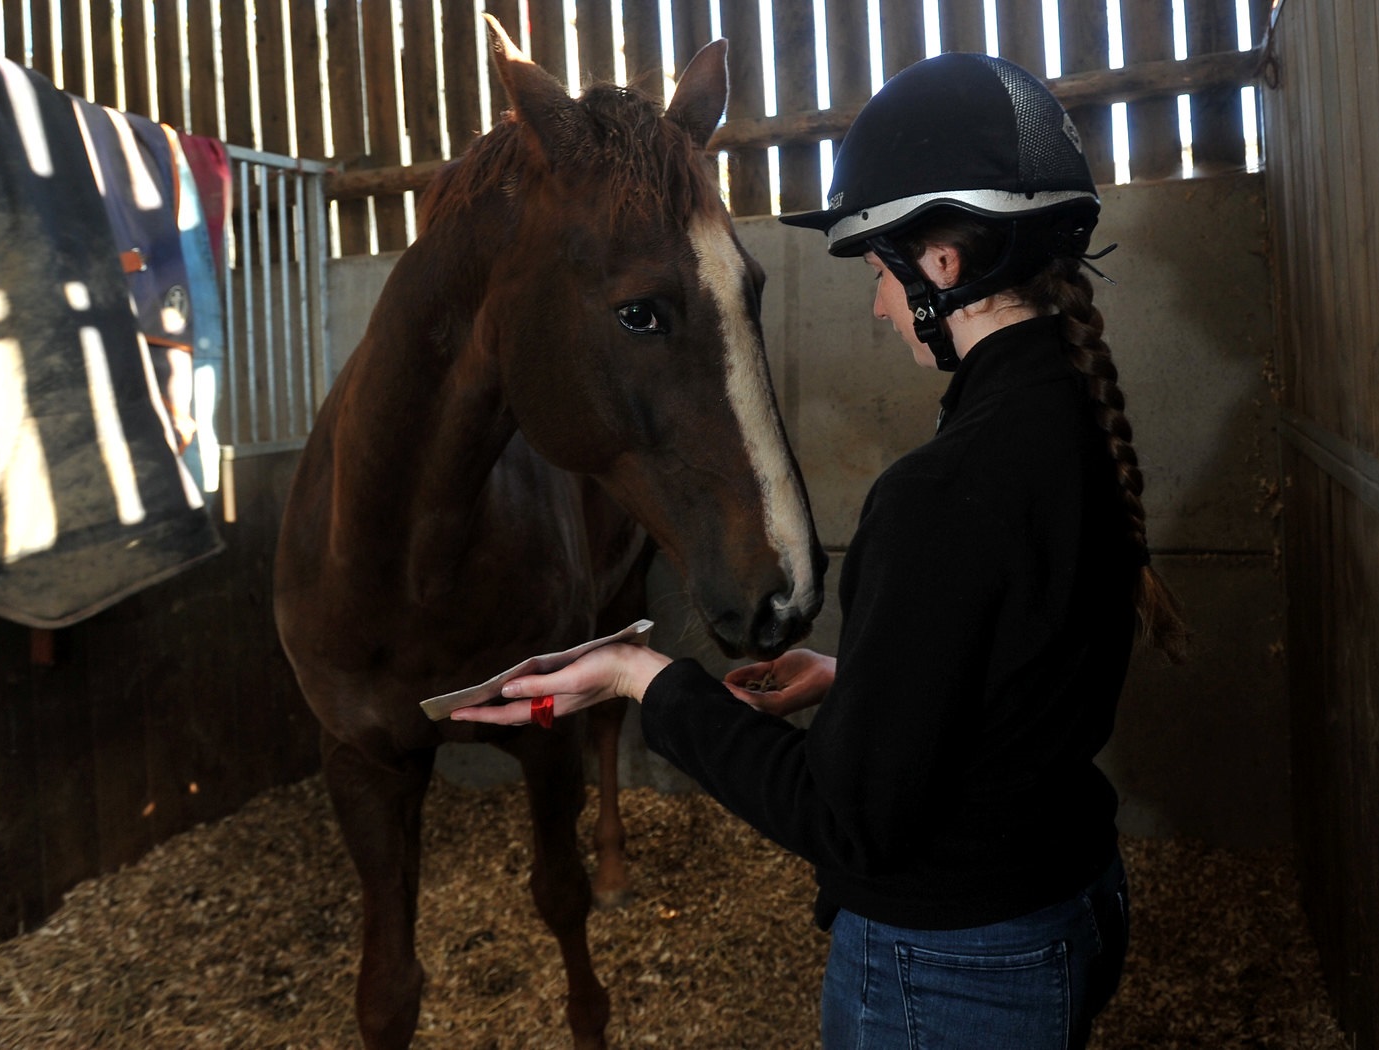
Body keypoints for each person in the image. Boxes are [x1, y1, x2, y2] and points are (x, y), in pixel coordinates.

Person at [453, 50, 1188, 1049]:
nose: (878, 309)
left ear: (941, 264)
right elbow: (1013, 668)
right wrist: (857, 678)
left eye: (882, 275)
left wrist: (642, 678)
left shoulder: (938, 492)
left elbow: (848, 825)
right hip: (1070, 896)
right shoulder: (1075, 421)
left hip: (952, 966)